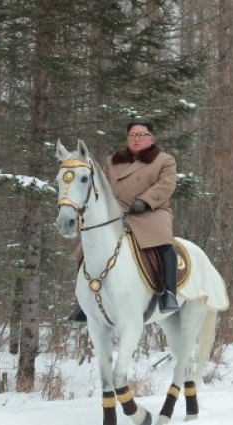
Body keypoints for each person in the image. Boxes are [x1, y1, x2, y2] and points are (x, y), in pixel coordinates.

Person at [68, 120, 179, 322]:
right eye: (132, 135)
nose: (136, 139)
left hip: (151, 213)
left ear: (151, 138)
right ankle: (86, 301)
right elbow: (100, 185)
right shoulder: (113, 161)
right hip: (116, 214)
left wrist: (145, 201)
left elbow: (166, 184)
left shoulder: (164, 160)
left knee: (164, 245)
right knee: (85, 249)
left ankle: (168, 294)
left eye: (141, 135)